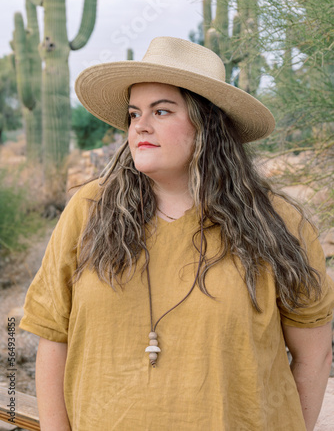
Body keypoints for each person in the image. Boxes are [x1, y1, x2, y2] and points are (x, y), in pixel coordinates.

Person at [20, 37, 334, 431]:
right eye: (134, 114)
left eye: (162, 111)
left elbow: (315, 355)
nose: (141, 126)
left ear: (208, 124)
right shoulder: (89, 210)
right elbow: (53, 337)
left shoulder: (278, 223)